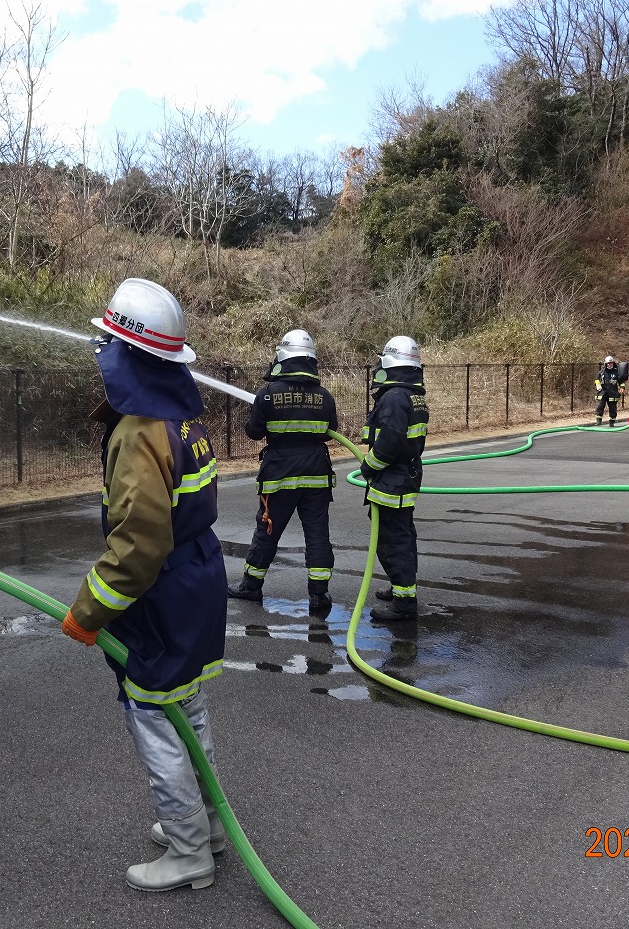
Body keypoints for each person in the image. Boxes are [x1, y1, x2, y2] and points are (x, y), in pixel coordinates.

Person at [61, 277, 228, 893]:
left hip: (161, 592)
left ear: (125, 354)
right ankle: (206, 827)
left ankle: (188, 852)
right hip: (199, 580)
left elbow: (138, 546)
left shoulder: (138, 432)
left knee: (154, 716)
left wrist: (87, 613)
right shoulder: (181, 418)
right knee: (188, 708)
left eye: (106, 345)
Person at [227, 329, 339, 615]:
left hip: (278, 477)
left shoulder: (266, 396)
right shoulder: (324, 397)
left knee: (267, 531)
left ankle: (251, 586)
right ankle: (319, 595)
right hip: (316, 475)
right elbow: (330, 432)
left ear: (283, 358)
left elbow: (253, 433)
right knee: (317, 535)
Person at [361, 335, 429, 622]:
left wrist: (368, 466)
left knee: (392, 540)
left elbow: (388, 442)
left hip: (391, 479)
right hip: (405, 476)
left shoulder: (393, 397)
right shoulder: (412, 396)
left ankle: (404, 603)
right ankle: (401, 588)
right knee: (403, 535)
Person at [594, 355, 624, 426]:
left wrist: (622, 388)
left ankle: (612, 422)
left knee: (613, 408)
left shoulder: (616, 372)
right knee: (600, 406)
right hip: (603, 392)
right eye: (608, 363)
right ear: (605, 364)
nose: (609, 364)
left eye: (611, 363)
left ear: (613, 363)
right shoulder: (601, 372)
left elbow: (621, 381)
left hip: (612, 393)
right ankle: (598, 421)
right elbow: (596, 379)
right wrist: (598, 385)